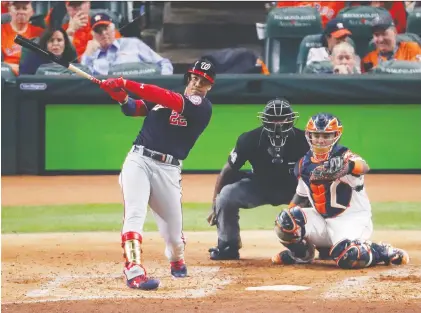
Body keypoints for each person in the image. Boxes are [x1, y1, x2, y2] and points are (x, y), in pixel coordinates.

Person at [99, 59, 215, 290]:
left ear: (209, 87)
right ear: (188, 78)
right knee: (135, 212)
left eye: (203, 81)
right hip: (138, 160)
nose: (196, 83)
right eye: (193, 78)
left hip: (168, 170)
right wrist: (119, 95)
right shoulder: (163, 101)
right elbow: (132, 108)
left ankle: (176, 259)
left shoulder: (201, 107)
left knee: (174, 237)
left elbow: (165, 97)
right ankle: (134, 269)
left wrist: (124, 82)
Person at [271, 113, 409, 269]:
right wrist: (286, 225)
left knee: (349, 257)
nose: (320, 139)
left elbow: (363, 166)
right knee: (285, 220)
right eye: (316, 135)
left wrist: (347, 166)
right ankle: (301, 255)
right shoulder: (304, 164)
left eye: (326, 135)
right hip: (322, 220)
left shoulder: (344, 156)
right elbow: (301, 196)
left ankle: (382, 251)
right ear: (309, 135)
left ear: (335, 136)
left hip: (352, 220)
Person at [207, 98, 310, 260]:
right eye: (273, 119)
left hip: (295, 188)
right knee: (226, 196)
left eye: (282, 119)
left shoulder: (305, 140)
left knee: (318, 196)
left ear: (291, 119)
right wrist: (215, 202)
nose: (278, 124)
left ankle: (324, 245)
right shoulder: (249, 139)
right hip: (259, 185)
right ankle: (228, 245)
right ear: (264, 120)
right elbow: (228, 170)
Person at [81, 12, 173, 75]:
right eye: (99, 31)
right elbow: (80, 79)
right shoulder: (91, 56)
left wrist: (163, 84)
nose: (104, 33)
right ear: (93, 35)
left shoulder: (133, 44)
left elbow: (164, 63)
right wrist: (87, 54)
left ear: (113, 29)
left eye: (106, 28)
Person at [44, 1, 122, 58]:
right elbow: (57, 60)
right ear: (67, 8)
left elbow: (119, 53)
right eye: (73, 5)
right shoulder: (61, 31)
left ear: (88, 4)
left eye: (81, 4)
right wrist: (70, 33)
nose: (78, 9)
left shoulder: (103, 24)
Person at [1, 1, 44, 74]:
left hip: (31, 75)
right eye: (17, 8)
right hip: (5, 74)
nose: (21, 12)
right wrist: (9, 67)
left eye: (24, 8)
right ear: (10, 11)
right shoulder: (1, 30)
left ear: (32, 12)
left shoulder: (41, 33)